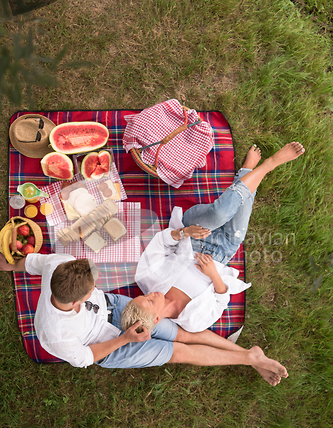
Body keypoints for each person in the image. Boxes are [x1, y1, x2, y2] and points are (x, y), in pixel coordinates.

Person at [0, 142, 304, 386]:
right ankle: (250, 359)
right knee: (179, 351)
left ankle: (249, 354)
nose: (99, 283)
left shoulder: (59, 264)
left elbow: (34, 263)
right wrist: (124, 338)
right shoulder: (57, 335)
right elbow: (85, 357)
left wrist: (9, 264)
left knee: (184, 333)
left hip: (117, 308)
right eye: (93, 287)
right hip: (109, 347)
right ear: (78, 301)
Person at [121, 142, 305, 336]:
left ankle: (269, 164)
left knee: (219, 214)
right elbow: (221, 302)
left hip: (193, 236)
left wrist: (186, 232)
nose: (149, 294)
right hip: (223, 251)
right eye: (149, 301)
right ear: (156, 319)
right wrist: (214, 276)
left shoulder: (145, 277)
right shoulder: (192, 322)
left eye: (143, 295)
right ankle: (247, 172)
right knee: (240, 218)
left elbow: (161, 242)